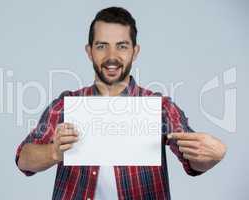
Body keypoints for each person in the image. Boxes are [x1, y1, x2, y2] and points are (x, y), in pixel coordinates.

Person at [15, 7, 226, 200]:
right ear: (89, 52)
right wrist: (54, 152)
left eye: (122, 46)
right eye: (101, 46)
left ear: (135, 51)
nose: (112, 57)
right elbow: (23, 159)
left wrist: (212, 156)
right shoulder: (66, 105)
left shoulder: (159, 108)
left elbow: (193, 160)